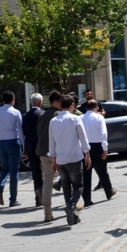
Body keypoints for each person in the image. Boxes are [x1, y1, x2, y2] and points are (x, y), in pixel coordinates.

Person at [48, 95, 91, 226]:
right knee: (78, 186)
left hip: (61, 159)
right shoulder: (75, 119)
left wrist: (53, 160)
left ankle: (72, 215)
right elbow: (83, 138)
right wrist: (87, 154)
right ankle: (71, 206)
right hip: (74, 158)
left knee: (66, 187)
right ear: (72, 104)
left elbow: (52, 142)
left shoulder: (53, 121)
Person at [0, 91, 25, 207]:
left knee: (5, 168)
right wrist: (24, 146)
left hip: (0, 143)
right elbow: (20, 131)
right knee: (14, 170)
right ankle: (13, 199)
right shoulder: (15, 112)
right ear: (13, 100)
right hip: (13, 142)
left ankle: (0, 187)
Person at [82, 100, 115, 203]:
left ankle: (87, 198)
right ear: (96, 108)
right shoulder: (99, 117)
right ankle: (108, 191)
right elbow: (103, 134)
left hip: (85, 147)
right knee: (102, 171)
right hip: (97, 146)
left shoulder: (80, 118)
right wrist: (105, 149)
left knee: (86, 174)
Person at [36, 91, 61, 223]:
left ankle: (47, 212)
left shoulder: (42, 114)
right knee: (67, 178)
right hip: (57, 152)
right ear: (56, 102)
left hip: (43, 151)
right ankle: (71, 205)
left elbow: (38, 132)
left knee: (47, 181)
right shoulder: (58, 115)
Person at [22, 93, 44, 206]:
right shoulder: (42, 114)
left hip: (30, 147)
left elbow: (24, 133)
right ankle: (43, 194)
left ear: (31, 103)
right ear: (40, 103)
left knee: (35, 172)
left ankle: (37, 194)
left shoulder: (25, 116)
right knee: (45, 171)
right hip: (41, 147)